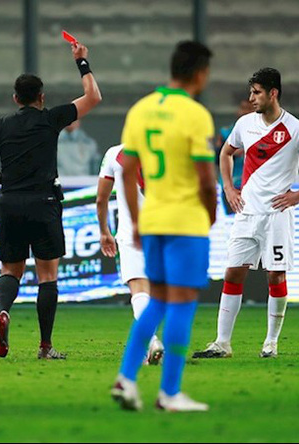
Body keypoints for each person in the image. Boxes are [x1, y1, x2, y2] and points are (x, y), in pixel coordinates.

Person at [192, 68, 299, 360]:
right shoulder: (245, 124)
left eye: (256, 92)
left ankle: (271, 343)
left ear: (273, 93)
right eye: (251, 92)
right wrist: (230, 189)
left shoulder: (295, 129)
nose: (251, 98)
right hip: (247, 212)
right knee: (233, 272)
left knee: (275, 275)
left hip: (277, 215)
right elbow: (225, 153)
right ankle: (222, 343)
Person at [111, 40, 218, 413]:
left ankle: (126, 378)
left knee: (156, 301)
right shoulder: (195, 115)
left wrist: (137, 222)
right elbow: (206, 179)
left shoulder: (141, 111)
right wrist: (212, 212)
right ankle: (170, 392)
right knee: (183, 304)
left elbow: (125, 171)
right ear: (200, 74)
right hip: (186, 222)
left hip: (153, 220)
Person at [0, 41, 102, 360]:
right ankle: (45, 347)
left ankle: (3, 312)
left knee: (11, 270)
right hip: (44, 202)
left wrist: (7, 180)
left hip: (12, 203)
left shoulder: (0, 125)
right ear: (41, 97)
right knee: (48, 276)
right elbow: (93, 98)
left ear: (15, 98)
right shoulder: (50, 119)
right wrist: (82, 62)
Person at [96, 143, 164, 365]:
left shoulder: (115, 153)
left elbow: (101, 199)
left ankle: (151, 340)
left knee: (139, 290)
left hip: (131, 233)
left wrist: (104, 231)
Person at [215, 99, 253, 190]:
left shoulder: (264, 134)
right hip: (230, 185)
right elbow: (216, 159)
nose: (245, 112)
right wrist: (231, 153)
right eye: (243, 108)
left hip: (253, 186)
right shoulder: (226, 132)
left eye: (249, 109)